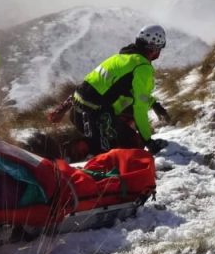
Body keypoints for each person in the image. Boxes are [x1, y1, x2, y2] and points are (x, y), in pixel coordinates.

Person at [54, 25, 169, 156]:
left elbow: (87, 86)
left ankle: (88, 144)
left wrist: (154, 103)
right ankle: (84, 148)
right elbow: (140, 108)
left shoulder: (119, 59)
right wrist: (148, 141)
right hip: (95, 118)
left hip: (77, 113)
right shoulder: (142, 67)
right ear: (154, 49)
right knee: (132, 147)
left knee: (126, 112)